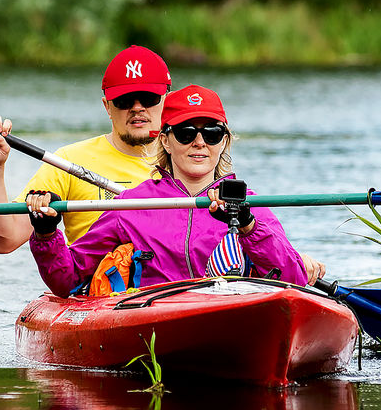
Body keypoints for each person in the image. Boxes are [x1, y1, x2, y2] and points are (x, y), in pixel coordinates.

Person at [25, 84, 309, 292]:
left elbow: (293, 280)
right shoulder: (131, 206)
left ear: (224, 141)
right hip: (156, 319)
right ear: (165, 141)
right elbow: (69, 279)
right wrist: (46, 233)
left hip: (231, 313)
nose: (199, 142)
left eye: (212, 133)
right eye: (186, 133)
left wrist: (247, 225)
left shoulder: (251, 206)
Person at [0, 45, 171, 251]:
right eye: (124, 101)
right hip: (99, 281)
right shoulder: (68, 161)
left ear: (168, 101)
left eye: (149, 98)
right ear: (107, 107)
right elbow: (3, 241)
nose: (137, 107)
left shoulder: (194, 158)